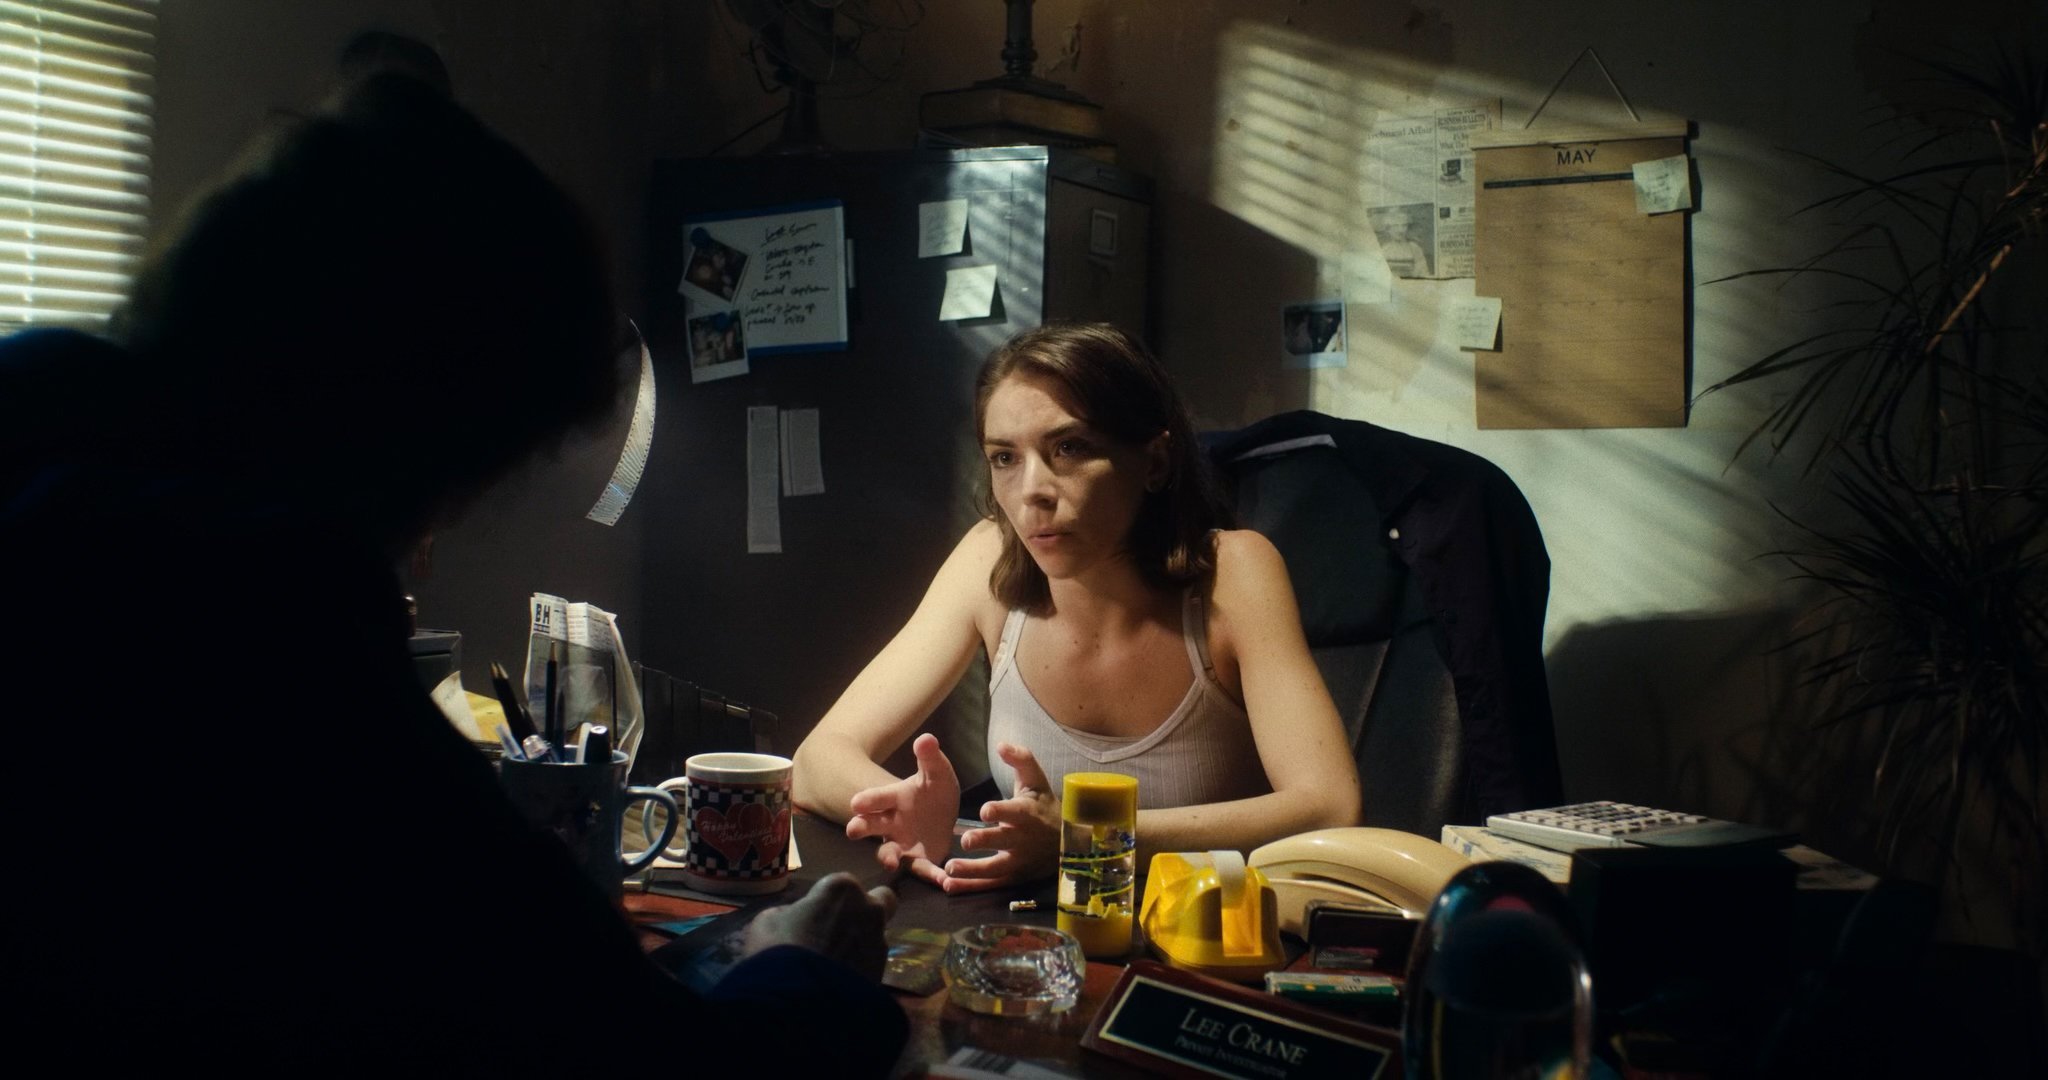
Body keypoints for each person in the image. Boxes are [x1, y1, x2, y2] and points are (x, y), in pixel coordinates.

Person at [0, 72, 903, 1073]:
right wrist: (805, 971)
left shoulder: (56, 469)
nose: (429, 540)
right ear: (399, 437)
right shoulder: (256, 637)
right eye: (461, 483)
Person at [792, 323, 1361, 893]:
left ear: (1155, 461)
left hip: (1199, 931)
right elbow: (818, 760)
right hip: (1032, 932)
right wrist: (898, 804)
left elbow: (1330, 807)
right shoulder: (987, 558)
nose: (1031, 491)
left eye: (1069, 448)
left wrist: (1085, 836)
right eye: (1004, 457)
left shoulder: (1235, 573)